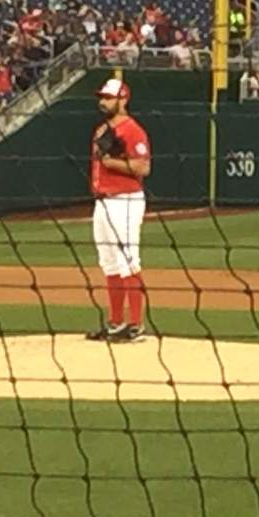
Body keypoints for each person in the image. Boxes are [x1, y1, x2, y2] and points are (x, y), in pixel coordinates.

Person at [87, 78, 150, 343]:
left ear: (123, 100)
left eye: (108, 98)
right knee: (109, 262)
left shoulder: (133, 130)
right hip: (102, 201)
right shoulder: (102, 130)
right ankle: (115, 323)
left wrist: (111, 162)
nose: (103, 102)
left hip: (125, 200)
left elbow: (143, 168)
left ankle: (135, 325)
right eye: (102, 97)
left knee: (128, 261)